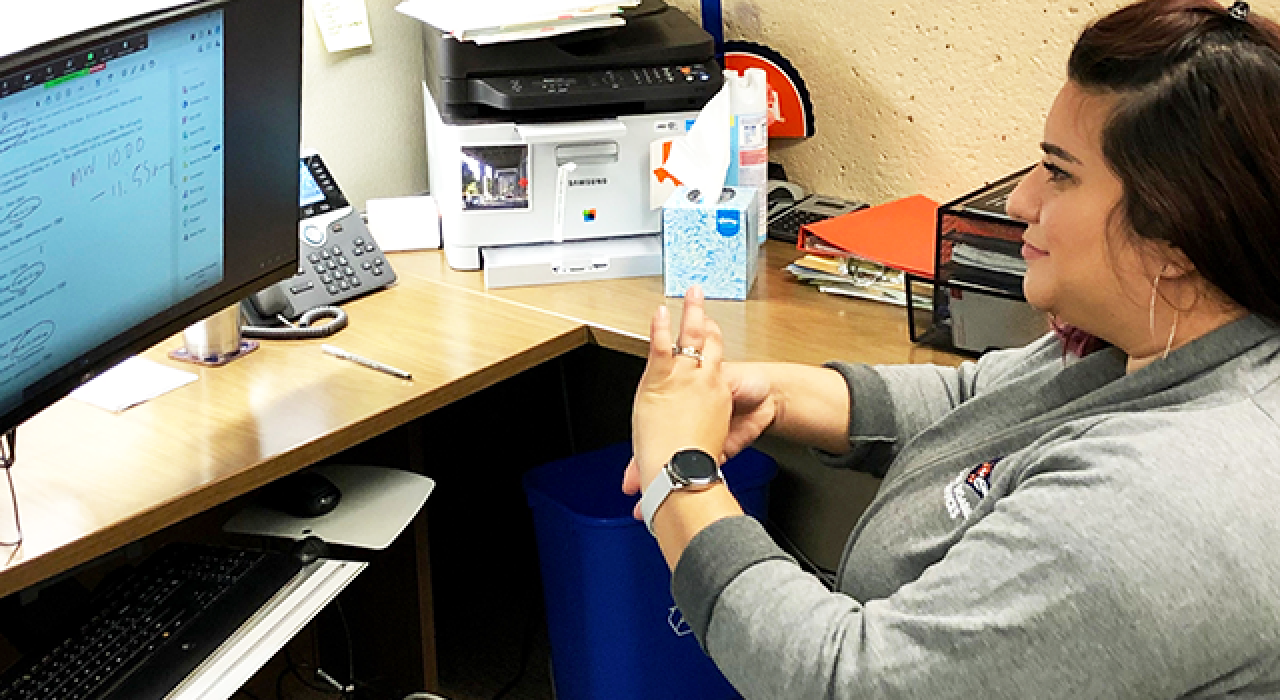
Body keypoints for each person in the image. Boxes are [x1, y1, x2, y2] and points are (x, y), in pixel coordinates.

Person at [623, 0, 1280, 697]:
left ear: (1176, 235)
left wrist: (680, 477)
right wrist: (768, 393)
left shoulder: (1154, 506)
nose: (1020, 201)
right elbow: (986, 401)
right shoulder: (1171, 337)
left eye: (1060, 173)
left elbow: (847, 682)